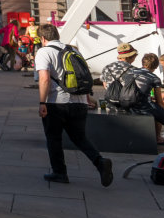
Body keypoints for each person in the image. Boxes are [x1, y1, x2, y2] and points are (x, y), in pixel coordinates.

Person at [33, 24, 112, 185]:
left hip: (57, 103)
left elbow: (44, 79)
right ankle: (100, 162)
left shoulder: (44, 52)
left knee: (53, 138)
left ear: (42, 38)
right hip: (80, 102)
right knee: (79, 138)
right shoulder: (73, 50)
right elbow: (83, 75)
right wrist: (87, 99)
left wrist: (42, 102)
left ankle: (59, 173)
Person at [101, 43, 164, 145]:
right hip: (141, 107)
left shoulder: (127, 71)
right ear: (156, 67)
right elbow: (160, 102)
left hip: (120, 104)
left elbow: (108, 85)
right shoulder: (150, 76)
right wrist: (163, 108)